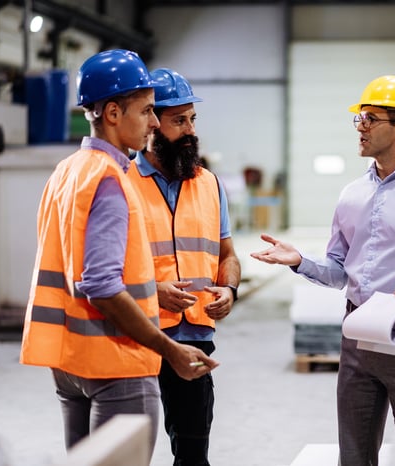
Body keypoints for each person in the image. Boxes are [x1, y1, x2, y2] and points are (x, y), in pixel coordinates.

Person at [251, 75, 395, 466]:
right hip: (356, 333)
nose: (362, 127)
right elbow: (339, 270)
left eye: (372, 118)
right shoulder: (352, 194)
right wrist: (300, 261)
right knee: (353, 456)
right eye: (359, 119)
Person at [19, 50, 218, 458]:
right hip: (116, 361)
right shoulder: (110, 178)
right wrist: (170, 349)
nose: (152, 123)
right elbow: (101, 285)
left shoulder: (68, 170)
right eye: (146, 111)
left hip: (70, 361)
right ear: (112, 112)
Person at [128, 68, 241, 466]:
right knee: (127, 449)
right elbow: (102, 270)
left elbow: (227, 255)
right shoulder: (121, 182)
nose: (190, 130)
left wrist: (229, 290)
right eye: (180, 121)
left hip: (194, 335)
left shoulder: (208, 183)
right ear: (153, 124)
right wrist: (153, 290)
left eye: (193, 119)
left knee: (193, 451)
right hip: (135, 332)